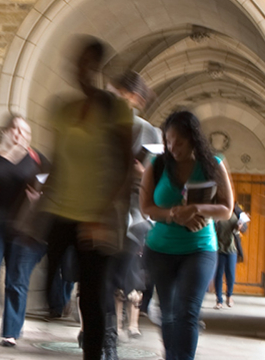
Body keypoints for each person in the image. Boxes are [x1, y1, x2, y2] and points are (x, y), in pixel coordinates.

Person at [36, 37, 136, 360]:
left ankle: (96, 349)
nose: (83, 70)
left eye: (91, 64)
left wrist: (105, 212)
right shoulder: (63, 110)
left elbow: (125, 165)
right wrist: (37, 202)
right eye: (80, 63)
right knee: (51, 288)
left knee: (92, 297)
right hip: (61, 211)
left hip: (96, 215)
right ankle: (62, 302)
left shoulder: (115, 109)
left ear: (100, 69)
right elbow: (57, 161)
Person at [140, 111, 236, 360]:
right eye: (168, 141)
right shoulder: (157, 164)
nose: (173, 148)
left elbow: (226, 209)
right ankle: (172, 355)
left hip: (199, 249)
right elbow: (147, 208)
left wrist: (195, 209)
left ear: (193, 139)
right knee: (168, 312)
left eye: (179, 142)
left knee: (187, 311)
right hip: (160, 249)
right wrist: (174, 214)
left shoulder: (212, 164)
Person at [0, 115, 50, 347]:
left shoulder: (36, 158)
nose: (19, 134)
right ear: (8, 132)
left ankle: (10, 330)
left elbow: (52, 182)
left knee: (16, 280)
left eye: (24, 131)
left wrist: (39, 197)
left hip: (22, 227)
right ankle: (4, 307)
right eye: (15, 129)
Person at [107, 71, 162, 341]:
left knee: (119, 274)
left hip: (132, 214)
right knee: (101, 278)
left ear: (133, 97)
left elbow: (157, 175)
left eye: (117, 93)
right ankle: (103, 335)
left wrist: (141, 173)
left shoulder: (146, 130)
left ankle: (114, 333)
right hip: (102, 210)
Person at [213, 204, 249, 309]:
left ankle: (229, 296)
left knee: (231, 274)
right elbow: (210, 227)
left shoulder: (236, 210)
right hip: (219, 248)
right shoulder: (217, 209)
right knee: (218, 274)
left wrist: (240, 226)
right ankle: (219, 300)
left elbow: (244, 229)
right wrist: (215, 222)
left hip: (232, 248)